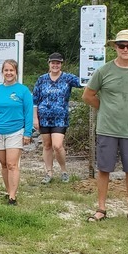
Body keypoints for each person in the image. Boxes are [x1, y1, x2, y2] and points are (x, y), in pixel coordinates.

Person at [81, 30, 128, 226]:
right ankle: (101, 209)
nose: (125, 49)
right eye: (121, 45)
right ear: (114, 47)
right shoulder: (103, 71)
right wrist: (105, 107)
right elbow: (87, 96)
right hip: (106, 128)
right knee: (104, 169)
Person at [0, 59, 34, 205]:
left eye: (11, 70)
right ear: (2, 72)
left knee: (12, 164)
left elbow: (28, 112)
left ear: (16, 72)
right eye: (6, 70)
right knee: (4, 164)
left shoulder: (23, 90)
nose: (8, 73)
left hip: (15, 131)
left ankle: (13, 197)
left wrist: (27, 133)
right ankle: (8, 192)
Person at [32, 52, 82, 184]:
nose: (55, 65)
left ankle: (64, 170)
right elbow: (35, 100)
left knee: (57, 145)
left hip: (60, 117)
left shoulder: (67, 78)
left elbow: (84, 82)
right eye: (53, 62)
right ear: (49, 63)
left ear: (61, 64)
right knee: (47, 145)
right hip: (43, 117)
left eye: (58, 63)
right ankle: (48, 172)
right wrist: (35, 118)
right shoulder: (41, 79)